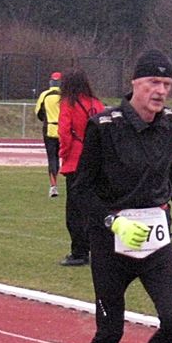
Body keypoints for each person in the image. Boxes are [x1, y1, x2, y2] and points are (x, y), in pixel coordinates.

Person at [65, 49, 172, 343]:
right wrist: (113, 221)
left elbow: (170, 165)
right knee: (110, 331)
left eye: (167, 84)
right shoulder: (104, 127)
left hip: (155, 238)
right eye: (153, 82)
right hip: (112, 242)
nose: (160, 91)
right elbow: (82, 189)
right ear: (135, 83)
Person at [57, 68, 104, 266]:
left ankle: (79, 252)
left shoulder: (68, 103)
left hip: (76, 160)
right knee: (95, 208)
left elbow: (64, 132)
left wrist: (63, 154)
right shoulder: (97, 103)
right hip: (97, 161)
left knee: (75, 211)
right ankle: (99, 249)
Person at [34, 71, 62, 197]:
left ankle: (53, 185)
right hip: (63, 130)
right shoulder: (65, 95)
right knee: (63, 158)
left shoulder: (44, 95)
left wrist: (46, 119)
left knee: (52, 158)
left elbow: (38, 113)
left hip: (49, 129)